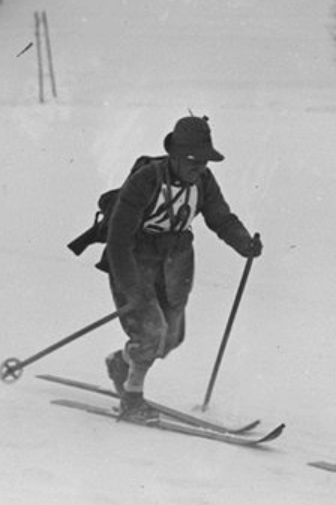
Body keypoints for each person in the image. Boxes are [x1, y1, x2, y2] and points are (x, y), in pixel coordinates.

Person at [99, 115, 262, 421]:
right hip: (135, 259)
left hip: (176, 261)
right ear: (173, 155)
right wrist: (130, 288)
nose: (198, 167)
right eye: (191, 159)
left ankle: (121, 363)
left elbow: (220, 218)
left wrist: (243, 243)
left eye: (204, 161)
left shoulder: (204, 181)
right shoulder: (146, 180)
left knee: (171, 337)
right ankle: (132, 398)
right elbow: (118, 238)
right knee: (151, 331)